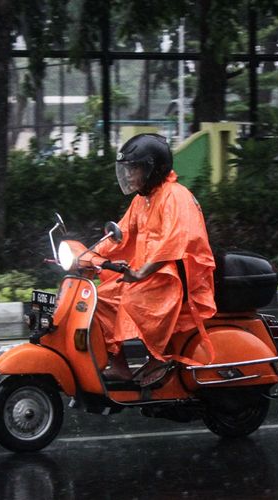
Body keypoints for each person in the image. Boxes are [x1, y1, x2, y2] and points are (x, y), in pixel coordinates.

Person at [93, 133, 217, 385]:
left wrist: (140, 273)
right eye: (126, 169)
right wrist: (89, 256)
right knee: (100, 298)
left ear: (154, 169)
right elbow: (121, 235)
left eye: (134, 168)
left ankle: (161, 357)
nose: (128, 175)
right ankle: (119, 366)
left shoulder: (175, 196)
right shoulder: (144, 200)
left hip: (179, 280)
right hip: (153, 276)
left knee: (131, 298)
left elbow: (175, 241)